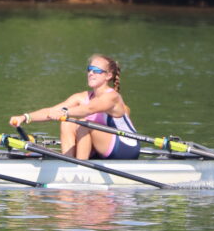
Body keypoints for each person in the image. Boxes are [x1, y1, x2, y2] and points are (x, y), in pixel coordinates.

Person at [8, 54, 139, 160]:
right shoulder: (80, 97)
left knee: (83, 124)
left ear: (108, 76)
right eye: (89, 69)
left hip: (125, 147)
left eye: (97, 71)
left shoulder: (112, 97)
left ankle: (79, 168)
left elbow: (89, 109)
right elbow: (51, 111)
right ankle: (68, 161)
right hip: (101, 147)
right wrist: (24, 117)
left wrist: (64, 112)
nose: (91, 73)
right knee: (67, 123)